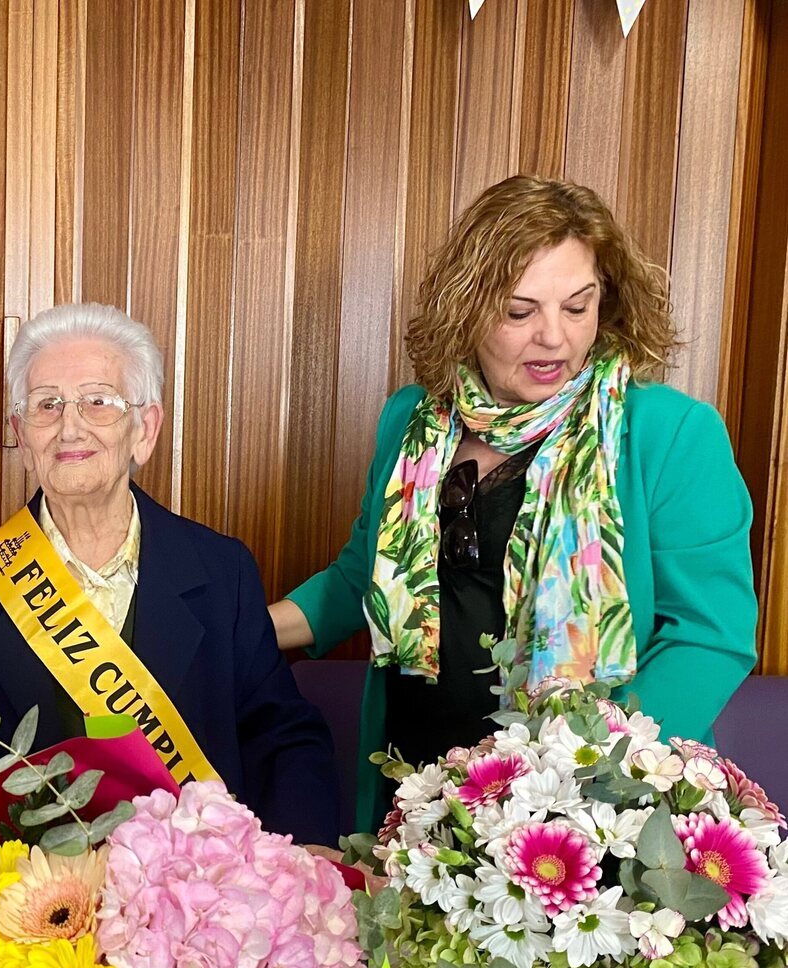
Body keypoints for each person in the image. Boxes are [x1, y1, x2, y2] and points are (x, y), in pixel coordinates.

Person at [270, 175, 758, 831]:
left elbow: (710, 639)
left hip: (585, 804)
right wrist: (240, 633)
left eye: (577, 307)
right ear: (466, 309)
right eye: (519, 311)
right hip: (413, 782)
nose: (553, 337)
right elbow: (362, 578)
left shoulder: (668, 433)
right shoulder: (411, 421)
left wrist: (580, 773)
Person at [0, 303, 338, 842]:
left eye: (99, 402)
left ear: (144, 430)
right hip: (21, 903)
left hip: (190, 902)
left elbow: (282, 735)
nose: (70, 426)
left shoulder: (223, 571)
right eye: (47, 405)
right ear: (22, 433)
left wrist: (298, 858)